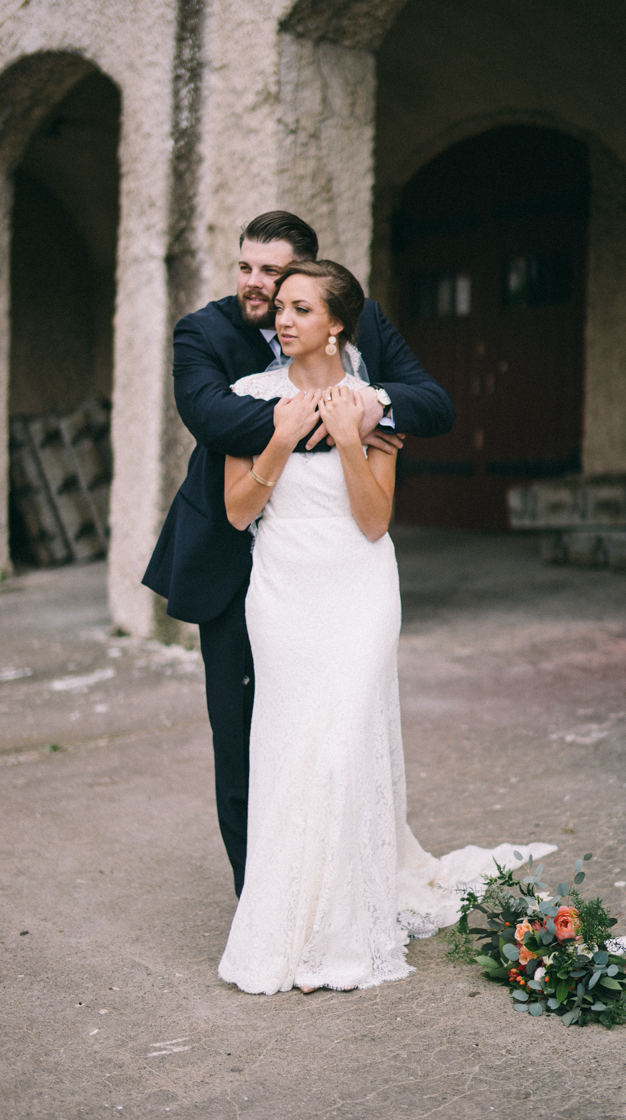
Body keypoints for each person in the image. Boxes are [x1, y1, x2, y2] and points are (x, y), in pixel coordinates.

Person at [216, 259, 555, 994]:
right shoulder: (246, 398)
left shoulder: (373, 407)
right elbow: (239, 511)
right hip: (281, 593)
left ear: (337, 324)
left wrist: (345, 437)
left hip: (358, 591)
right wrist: (278, 438)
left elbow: (373, 522)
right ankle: (284, 925)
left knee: (343, 748)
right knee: (289, 752)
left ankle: (343, 928)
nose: (283, 318)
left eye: (302, 308)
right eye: (280, 306)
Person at [142, 212, 456, 897]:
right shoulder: (203, 330)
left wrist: (368, 408)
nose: (257, 286)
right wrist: (343, 420)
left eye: (275, 274)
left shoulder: (358, 318)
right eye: (245, 267)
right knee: (243, 736)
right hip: (235, 555)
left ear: (308, 277)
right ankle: (262, 902)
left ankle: (341, 886)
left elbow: (431, 403)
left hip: (337, 569)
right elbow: (215, 419)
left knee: (335, 731)